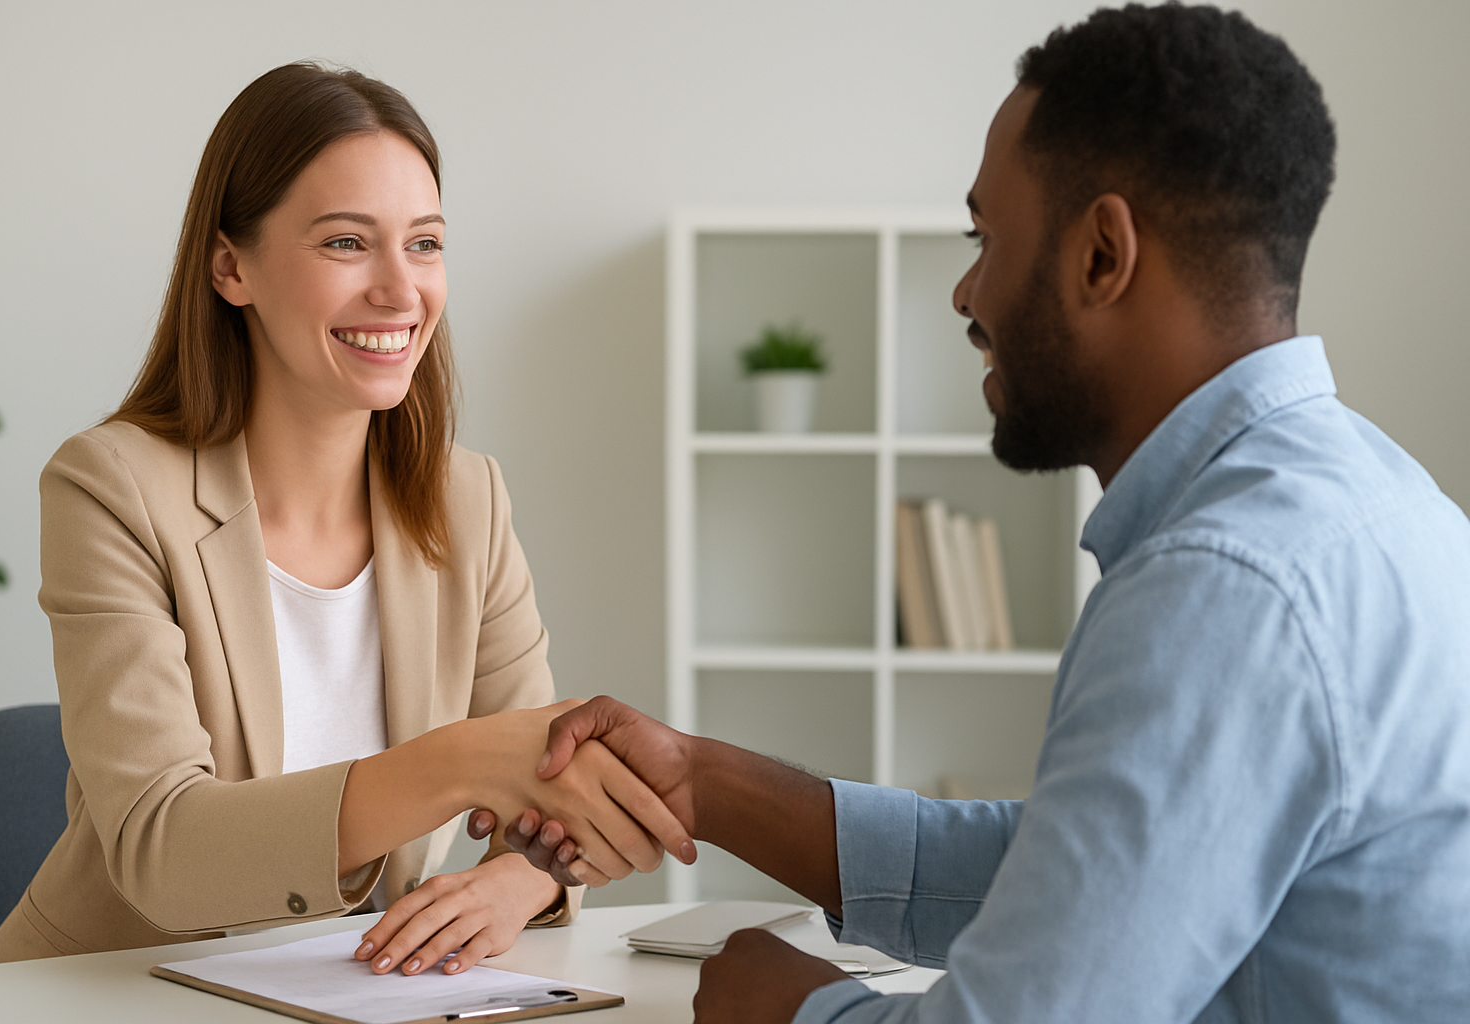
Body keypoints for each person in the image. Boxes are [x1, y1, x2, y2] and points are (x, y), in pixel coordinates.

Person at [474, 5, 1470, 1022]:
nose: (965, 291)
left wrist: (795, 1010)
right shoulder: (1380, 505)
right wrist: (706, 782)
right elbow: (1085, 878)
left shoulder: (1227, 584)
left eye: (986, 237)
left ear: (1101, 256)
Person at [0, 63, 688, 974]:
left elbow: (549, 799)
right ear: (231, 266)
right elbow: (161, 848)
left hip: (354, 990)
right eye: (348, 244)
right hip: (110, 990)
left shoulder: (468, 500)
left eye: (425, 243)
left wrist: (519, 882)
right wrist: (463, 760)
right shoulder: (112, 487)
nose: (401, 290)